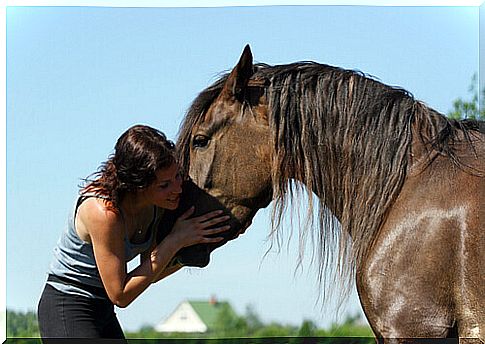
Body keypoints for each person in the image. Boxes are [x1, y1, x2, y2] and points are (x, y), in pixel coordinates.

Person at [37, 124, 230, 340]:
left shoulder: (158, 205)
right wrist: (175, 241)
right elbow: (121, 294)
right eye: (165, 184)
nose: (177, 188)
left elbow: (150, 274)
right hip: (67, 305)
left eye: (177, 176)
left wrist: (198, 243)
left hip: (103, 308)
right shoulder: (103, 212)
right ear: (138, 185)